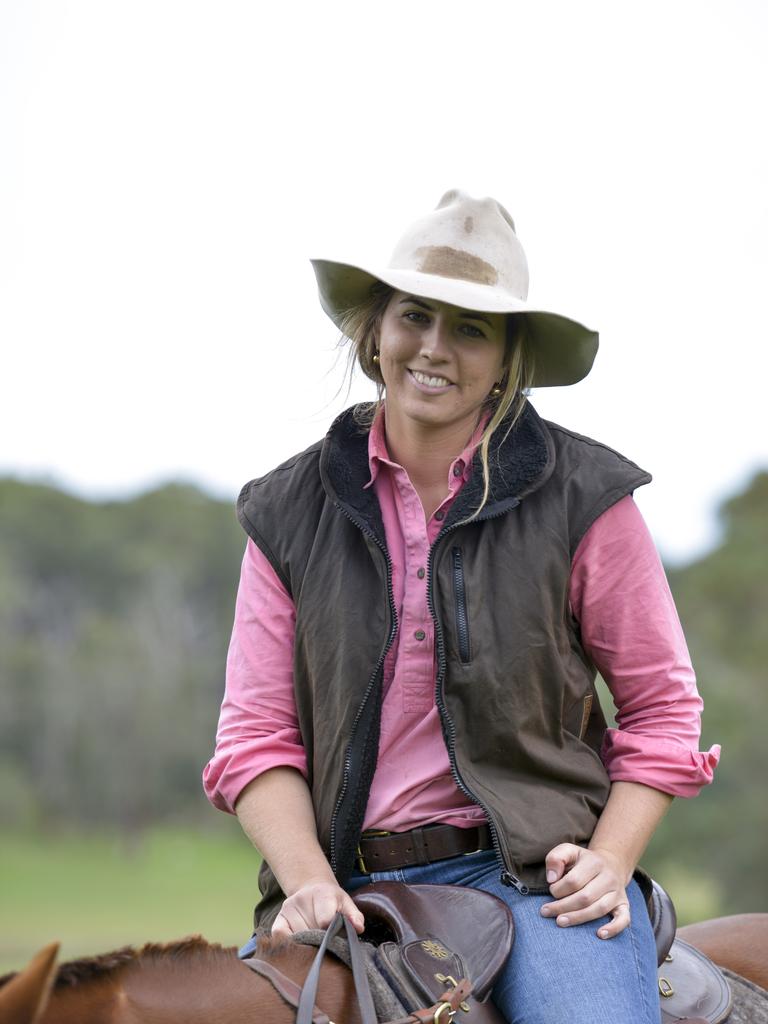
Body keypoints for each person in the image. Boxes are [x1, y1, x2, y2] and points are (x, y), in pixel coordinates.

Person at [203, 190, 720, 1024]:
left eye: (471, 327)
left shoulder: (587, 498)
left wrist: (611, 858)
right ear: (375, 329)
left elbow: (664, 708)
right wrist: (306, 883)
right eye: (415, 316)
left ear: (507, 355)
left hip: (532, 883)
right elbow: (255, 734)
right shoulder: (286, 511)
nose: (434, 348)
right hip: (341, 886)